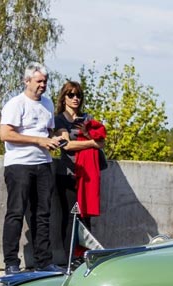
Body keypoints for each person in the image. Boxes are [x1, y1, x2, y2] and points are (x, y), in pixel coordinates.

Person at [0, 62, 65, 274]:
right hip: (19, 165)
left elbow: (49, 133)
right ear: (27, 81)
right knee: (16, 213)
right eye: (39, 81)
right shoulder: (15, 104)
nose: (43, 85)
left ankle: (44, 262)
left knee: (42, 214)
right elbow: (6, 134)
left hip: (43, 165)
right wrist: (38, 141)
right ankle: (11, 263)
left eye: (45, 81)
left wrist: (59, 137)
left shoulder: (47, 104)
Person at [53, 80, 106, 264]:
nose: (75, 98)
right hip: (68, 175)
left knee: (85, 216)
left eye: (78, 95)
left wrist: (88, 133)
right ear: (64, 97)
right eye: (71, 95)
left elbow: (102, 140)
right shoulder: (59, 119)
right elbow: (66, 145)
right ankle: (70, 256)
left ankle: (85, 255)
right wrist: (91, 143)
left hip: (87, 176)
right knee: (71, 216)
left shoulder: (87, 117)